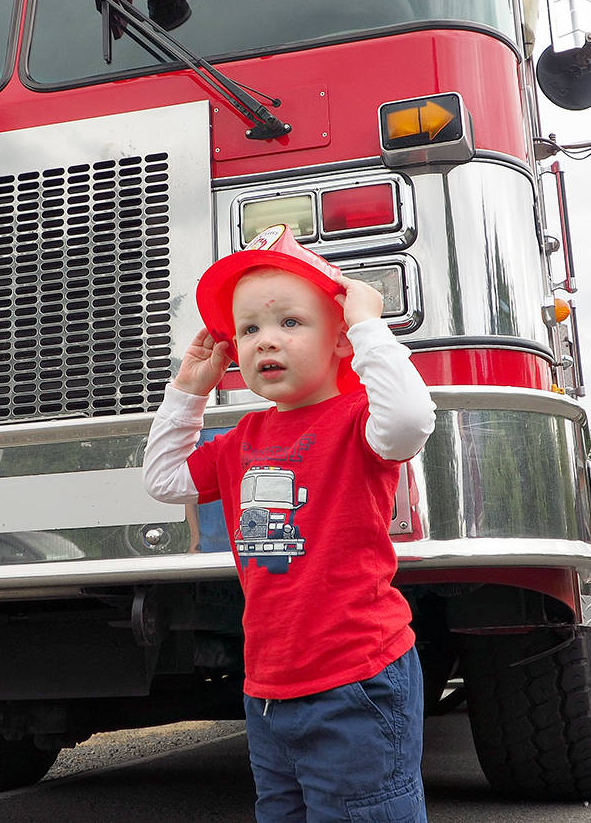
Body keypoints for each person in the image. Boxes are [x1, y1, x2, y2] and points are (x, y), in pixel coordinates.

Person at [141, 225, 435, 821]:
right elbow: (165, 481)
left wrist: (369, 324)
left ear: (340, 343)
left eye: (290, 323)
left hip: (356, 679)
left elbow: (410, 421)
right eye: (248, 329)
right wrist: (188, 390)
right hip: (269, 688)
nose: (263, 341)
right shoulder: (242, 438)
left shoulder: (360, 420)